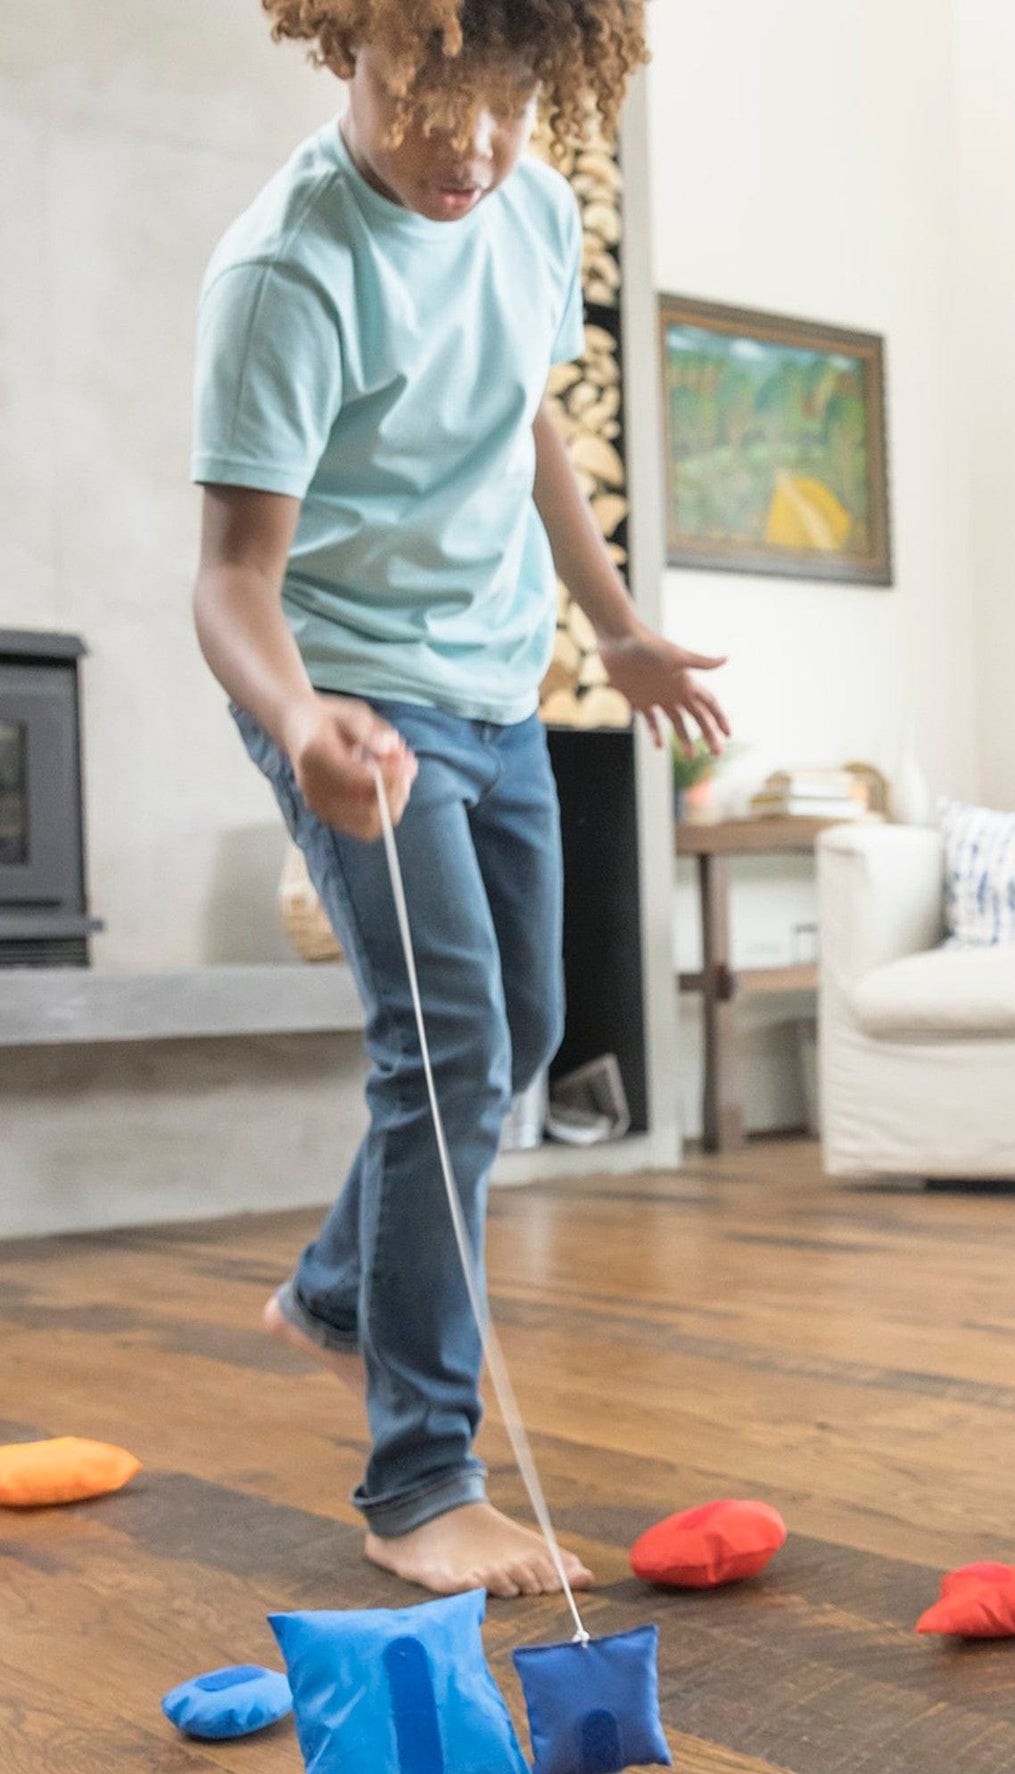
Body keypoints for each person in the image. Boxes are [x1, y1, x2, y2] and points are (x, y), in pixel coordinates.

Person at [192, 0, 726, 1596]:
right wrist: (301, 725)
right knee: (445, 1051)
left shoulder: (531, 202)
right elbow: (227, 584)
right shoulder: (291, 271)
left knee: (534, 1033)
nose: (472, 148)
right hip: (351, 693)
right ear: (352, 47)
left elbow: (531, 419)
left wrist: (615, 622)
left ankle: (341, 1293)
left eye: (508, 103)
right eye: (435, 99)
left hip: (502, 689)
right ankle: (419, 1480)